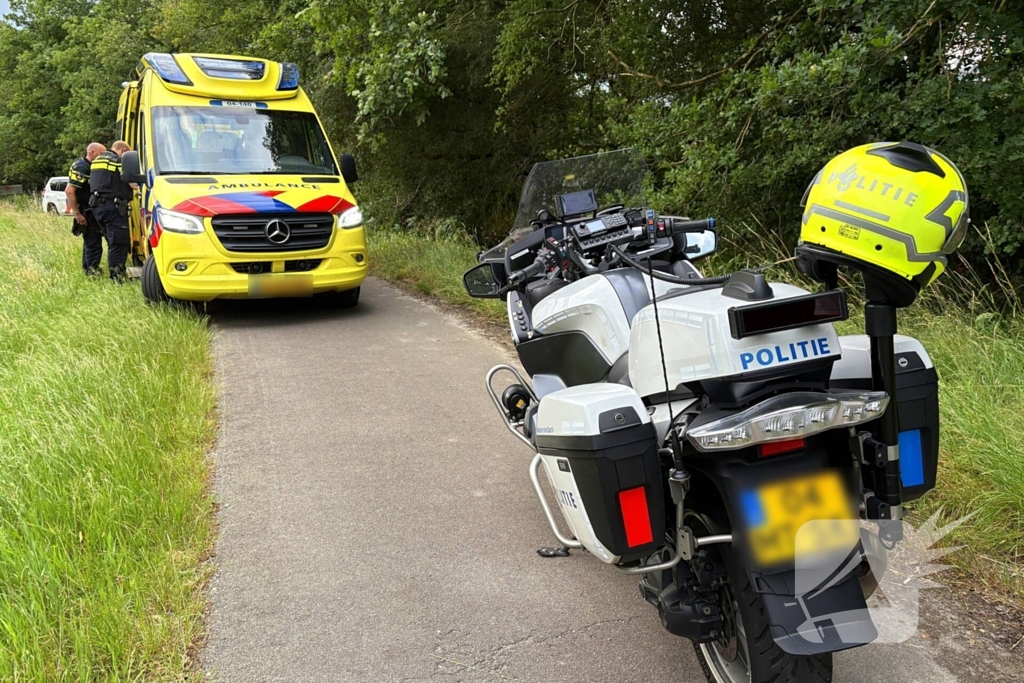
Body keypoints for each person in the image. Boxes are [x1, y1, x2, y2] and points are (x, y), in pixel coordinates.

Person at [88, 141, 134, 281]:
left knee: (111, 240)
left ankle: (113, 272)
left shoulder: (97, 161)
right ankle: (117, 277)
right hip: (113, 207)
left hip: (98, 207)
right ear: (123, 151)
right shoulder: (118, 161)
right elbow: (132, 184)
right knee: (118, 243)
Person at [66, 142, 106, 275]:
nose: (103, 157)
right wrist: (77, 214)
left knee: (90, 241)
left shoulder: (86, 165)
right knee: (93, 242)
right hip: (86, 210)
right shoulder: (82, 168)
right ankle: (92, 271)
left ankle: (87, 268)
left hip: (87, 209)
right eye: (101, 154)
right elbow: (70, 191)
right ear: (92, 152)